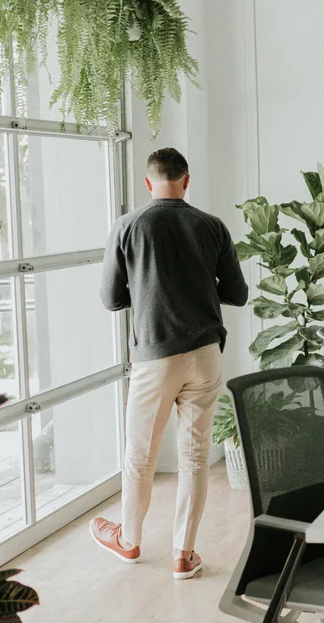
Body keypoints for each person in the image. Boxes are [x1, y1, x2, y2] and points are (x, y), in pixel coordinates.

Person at [90, 147, 250, 580]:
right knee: (194, 457)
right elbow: (237, 294)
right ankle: (184, 555)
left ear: (148, 183)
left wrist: (146, 288)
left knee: (140, 456)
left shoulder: (128, 226)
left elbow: (111, 299)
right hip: (204, 354)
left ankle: (129, 541)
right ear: (186, 180)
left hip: (155, 355)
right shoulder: (212, 226)